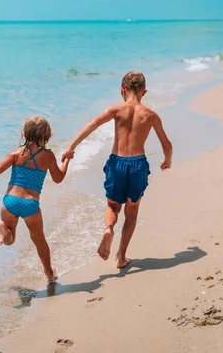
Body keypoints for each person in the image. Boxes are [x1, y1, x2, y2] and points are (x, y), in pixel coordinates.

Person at [61, 71, 172, 269]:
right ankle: (121, 256)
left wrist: (71, 148)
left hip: (117, 162)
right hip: (138, 164)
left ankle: (108, 230)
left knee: (113, 206)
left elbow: (91, 125)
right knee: (132, 210)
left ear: (122, 90)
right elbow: (167, 144)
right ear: (144, 92)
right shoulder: (150, 115)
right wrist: (167, 160)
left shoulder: (115, 110)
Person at [0, 116, 72, 283]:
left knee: (10, 240)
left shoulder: (16, 153)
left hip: (10, 201)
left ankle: (4, 230)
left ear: (24, 133)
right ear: (47, 135)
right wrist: (67, 159)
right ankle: (49, 274)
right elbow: (58, 178)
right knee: (39, 239)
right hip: (30, 204)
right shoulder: (48, 156)